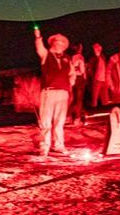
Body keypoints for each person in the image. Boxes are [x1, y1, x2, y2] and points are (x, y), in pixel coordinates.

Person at [34, 28, 75, 156]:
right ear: (52, 43)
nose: (59, 44)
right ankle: (44, 147)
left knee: (60, 121)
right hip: (49, 92)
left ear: (64, 46)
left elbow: (72, 73)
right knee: (46, 121)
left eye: (61, 43)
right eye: (56, 42)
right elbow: (39, 48)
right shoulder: (46, 55)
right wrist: (38, 37)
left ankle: (59, 145)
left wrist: (71, 82)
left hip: (63, 93)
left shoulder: (67, 58)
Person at [88, 43, 110, 107]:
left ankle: (105, 113)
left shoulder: (103, 57)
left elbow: (106, 67)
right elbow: (90, 69)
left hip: (104, 81)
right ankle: (93, 114)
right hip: (97, 81)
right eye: (95, 48)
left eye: (98, 47)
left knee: (105, 100)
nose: (96, 49)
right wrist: (94, 78)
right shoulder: (92, 58)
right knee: (94, 100)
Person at [70, 43, 87, 125]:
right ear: (79, 49)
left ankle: (69, 116)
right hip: (80, 79)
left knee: (74, 99)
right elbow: (82, 70)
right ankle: (77, 118)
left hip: (73, 78)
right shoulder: (80, 57)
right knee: (79, 100)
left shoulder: (72, 57)